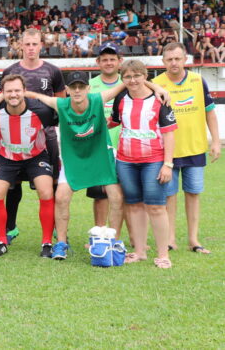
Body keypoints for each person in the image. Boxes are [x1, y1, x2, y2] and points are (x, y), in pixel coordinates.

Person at [25, 71, 165, 260]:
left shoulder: (99, 99)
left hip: (101, 155)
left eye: (81, 87)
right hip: (74, 159)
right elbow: (34, 95)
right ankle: (61, 244)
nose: (77, 90)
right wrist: (2, 94)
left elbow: (127, 83)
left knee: (116, 197)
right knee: (61, 197)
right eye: (72, 87)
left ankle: (113, 242)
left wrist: (156, 87)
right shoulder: (61, 104)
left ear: (88, 88)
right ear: (66, 90)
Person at [153, 42, 220, 253]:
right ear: (163, 61)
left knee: (193, 193)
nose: (174, 63)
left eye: (178, 58)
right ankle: (171, 238)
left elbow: (210, 112)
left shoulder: (198, 81)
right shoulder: (155, 84)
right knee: (169, 195)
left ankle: (194, 239)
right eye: (170, 59)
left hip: (195, 147)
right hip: (167, 151)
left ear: (185, 59)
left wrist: (216, 141)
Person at [0, 28, 65, 244]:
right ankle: (10, 227)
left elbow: (61, 104)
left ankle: (55, 227)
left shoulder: (53, 72)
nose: (30, 48)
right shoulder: (10, 70)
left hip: (45, 137)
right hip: (15, 137)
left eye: (34, 44)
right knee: (12, 184)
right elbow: (4, 99)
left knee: (51, 183)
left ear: (41, 45)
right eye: (26, 44)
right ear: (20, 46)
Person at [111, 60, 177, 268]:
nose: (133, 81)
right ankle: (139, 252)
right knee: (134, 206)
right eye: (128, 77)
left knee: (156, 207)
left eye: (137, 76)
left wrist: (168, 164)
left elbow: (169, 135)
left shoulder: (160, 100)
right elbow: (113, 121)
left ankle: (163, 254)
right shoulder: (121, 98)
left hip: (154, 161)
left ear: (145, 76)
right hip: (126, 161)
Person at [0, 74, 58, 257]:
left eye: (17, 90)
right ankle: (1, 242)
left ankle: (47, 243)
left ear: (25, 91)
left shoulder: (42, 111)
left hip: (35, 155)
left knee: (46, 191)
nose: (14, 94)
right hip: (6, 157)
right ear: (1, 93)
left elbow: (62, 117)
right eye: (9, 91)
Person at [86, 43, 124, 227]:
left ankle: (129, 238)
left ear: (120, 61)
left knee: (126, 194)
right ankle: (100, 234)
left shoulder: (128, 82)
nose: (109, 63)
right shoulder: (90, 86)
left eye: (112, 59)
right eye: (105, 60)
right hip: (99, 149)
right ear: (98, 62)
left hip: (126, 147)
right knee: (100, 195)